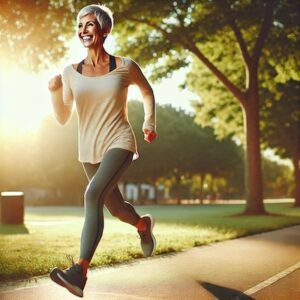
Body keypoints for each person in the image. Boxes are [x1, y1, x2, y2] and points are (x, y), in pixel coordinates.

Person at [48, 4, 157, 298]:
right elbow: (62, 117)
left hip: (119, 141)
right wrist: (54, 93)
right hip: (88, 149)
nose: (83, 30)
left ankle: (79, 272)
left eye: (90, 25)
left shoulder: (125, 66)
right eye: (80, 25)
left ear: (105, 30)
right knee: (116, 208)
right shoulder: (70, 72)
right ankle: (142, 224)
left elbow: (146, 91)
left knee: (92, 195)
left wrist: (149, 121)